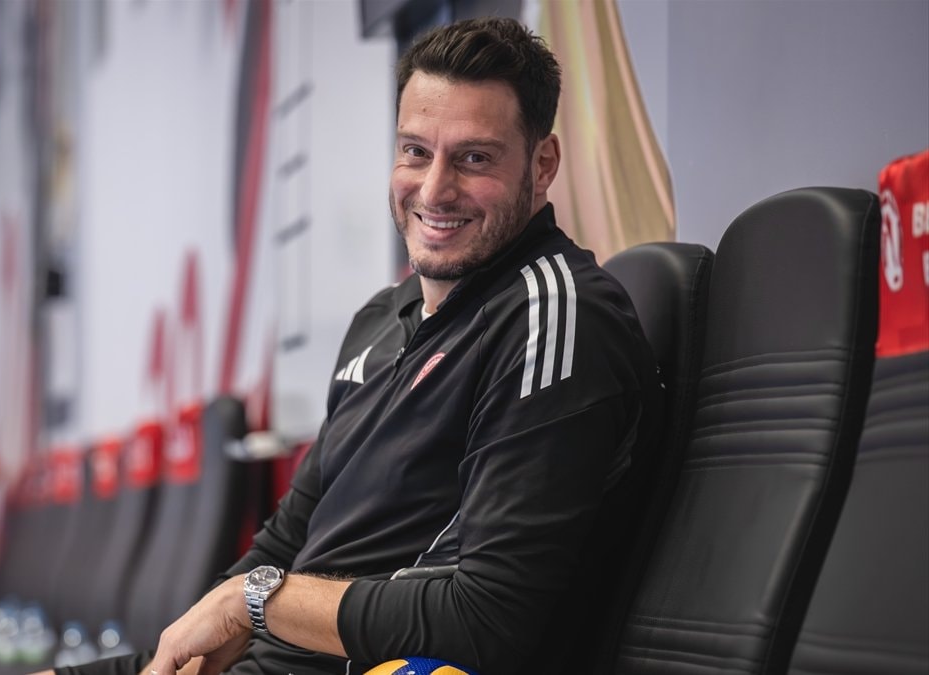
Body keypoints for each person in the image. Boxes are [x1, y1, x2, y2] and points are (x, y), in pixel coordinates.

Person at [52, 16, 661, 675]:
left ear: (542, 166)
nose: (434, 190)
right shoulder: (381, 319)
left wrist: (252, 602)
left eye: (474, 158)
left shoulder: (554, 317)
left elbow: (486, 620)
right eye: (415, 151)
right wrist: (187, 647)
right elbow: (286, 543)